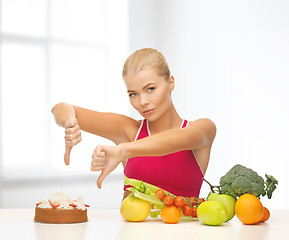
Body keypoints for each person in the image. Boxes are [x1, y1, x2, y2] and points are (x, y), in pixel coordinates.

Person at [51, 48, 216, 200]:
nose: (143, 102)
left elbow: (178, 140)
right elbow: (61, 108)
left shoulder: (203, 128)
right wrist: (69, 121)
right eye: (133, 94)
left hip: (184, 232)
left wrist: (122, 150)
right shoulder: (129, 131)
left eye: (150, 89)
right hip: (130, 232)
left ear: (170, 82)